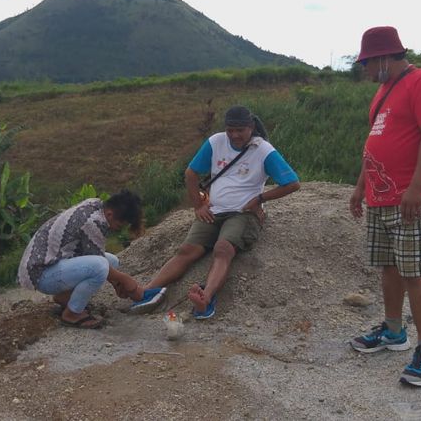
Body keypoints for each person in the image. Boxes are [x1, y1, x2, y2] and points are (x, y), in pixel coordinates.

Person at [129, 106, 300, 319]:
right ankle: (149, 290)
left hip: (243, 213)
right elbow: (191, 173)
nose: (235, 135)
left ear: (251, 127)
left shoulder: (263, 150)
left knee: (223, 248)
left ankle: (205, 298)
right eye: (230, 130)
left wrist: (260, 199)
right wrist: (198, 206)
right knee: (187, 250)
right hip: (214, 210)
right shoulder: (216, 142)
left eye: (241, 130)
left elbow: (292, 183)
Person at [349, 26, 421, 387]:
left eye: (367, 63)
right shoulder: (382, 92)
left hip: (410, 197)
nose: (364, 70)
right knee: (389, 266)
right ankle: (393, 331)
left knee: (415, 271)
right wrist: (361, 187)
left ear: (385, 57)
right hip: (380, 196)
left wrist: (417, 188)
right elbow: (373, 143)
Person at [17, 190, 146, 329]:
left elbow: (94, 254)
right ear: (110, 214)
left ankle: (64, 297)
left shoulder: (95, 205)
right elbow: (99, 264)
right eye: (119, 225)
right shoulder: (93, 222)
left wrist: (117, 284)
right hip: (42, 274)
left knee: (112, 261)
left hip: (54, 263)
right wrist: (127, 280)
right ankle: (72, 314)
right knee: (101, 266)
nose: (117, 229)